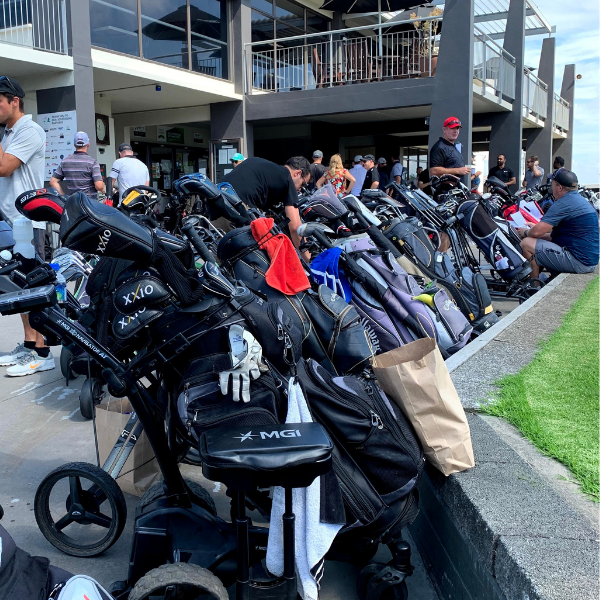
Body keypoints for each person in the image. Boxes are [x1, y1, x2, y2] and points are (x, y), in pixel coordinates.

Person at [0, 76, 55, 376]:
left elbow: (4, 167)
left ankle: (43, 352)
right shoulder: (8, 133)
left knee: (34, 287)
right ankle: (30, 343)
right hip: (13, 221)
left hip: (30, 221)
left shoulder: (29, 130)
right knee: (18, 287)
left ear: (14, 101)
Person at [517, 169, 598, 279]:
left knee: (526, 243)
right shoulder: (581, 200)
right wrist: (536, 231)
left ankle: (534, 286)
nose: (551, 187)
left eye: (553, 184)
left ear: (559, 188)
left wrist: (526, 232)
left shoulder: (564, 202)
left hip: (578, 262)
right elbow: (554, 235)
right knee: (539, 239)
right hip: (589, 260)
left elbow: (537, 231)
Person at [222, 156, 310, 253]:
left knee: (217, 258)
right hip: (237, 207)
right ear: (298, 173)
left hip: (215, 198)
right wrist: (308, 259)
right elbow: (295, 227)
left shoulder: (259, 163)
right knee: (257, 255)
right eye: (303, 184)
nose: (300, 189)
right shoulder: (287, 177)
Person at [49, 132, 105, 200]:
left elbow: (53, 181)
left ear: (74, 145)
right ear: (88, 144)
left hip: (73, 204)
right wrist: (102, 187)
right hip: (90, 205)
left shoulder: (65, 162)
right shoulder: (92, 162)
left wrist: (63, 197)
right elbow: (99, 186)